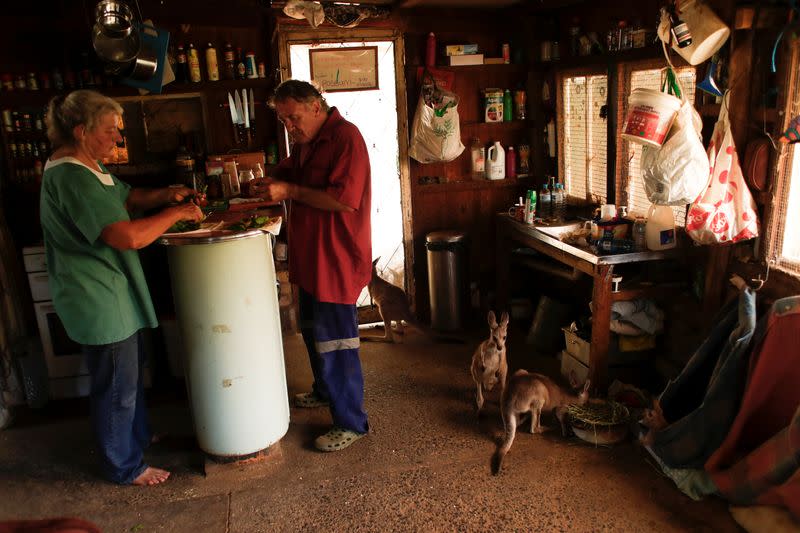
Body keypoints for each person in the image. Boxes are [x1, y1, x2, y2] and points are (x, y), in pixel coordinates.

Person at [40, 90, 203, 485]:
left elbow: (127, 198)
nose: (117, 138)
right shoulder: (71, 176)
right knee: (115, 384)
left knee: (128, 375)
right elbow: (125, 236)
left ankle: (138, 436)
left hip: (112, 290)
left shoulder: (89, 166)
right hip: (95, 295)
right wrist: (176, 212)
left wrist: (165, 194)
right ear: (81, 131)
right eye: (110, 130)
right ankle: (124, 465)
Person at [249, 80, 371, 452]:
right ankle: (323, 390)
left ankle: (351, 422)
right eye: (284, 120)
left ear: (316, 107)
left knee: (337, 341)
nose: (289, 127)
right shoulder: (308, 142)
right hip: (312, 258)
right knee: (311, 330)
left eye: (293, 118)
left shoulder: (346, 139)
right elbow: (291, 170)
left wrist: (288, 192)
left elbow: (344, 201)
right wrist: (272, 179)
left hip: (336, 260)